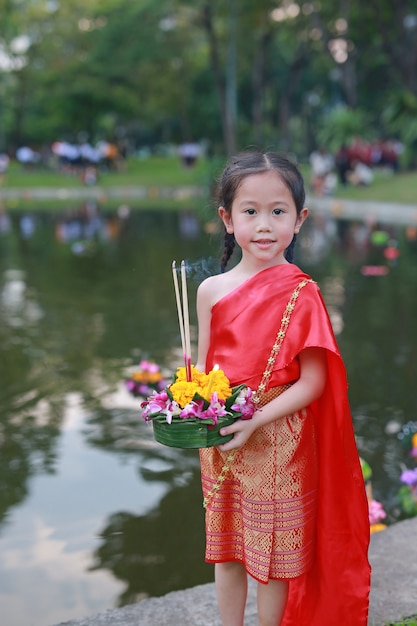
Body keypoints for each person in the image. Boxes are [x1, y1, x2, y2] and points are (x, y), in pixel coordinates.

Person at [195, 151, 371, 626]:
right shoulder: (209, 290)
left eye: (279, 211)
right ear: (227, 220)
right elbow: (203, 368)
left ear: (300, 220)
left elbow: (314, 381)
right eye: (250, 211)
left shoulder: (303, 293)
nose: (265, 225)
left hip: (279, 441)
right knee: (227, 549)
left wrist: (257, 419)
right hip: (224, 435)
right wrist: (185, 403)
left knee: (272, 560)